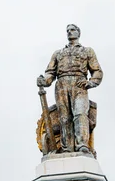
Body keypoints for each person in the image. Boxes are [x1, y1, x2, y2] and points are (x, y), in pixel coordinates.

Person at [37, 24, 103, 154]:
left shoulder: (87, 51)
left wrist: (91, 82)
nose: (69, 32)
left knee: (80, 113)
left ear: (78, 33)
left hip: (79, 85)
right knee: (64, 117)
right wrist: (44, 80)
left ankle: (82, 145)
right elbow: (50, 73)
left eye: (72, 30)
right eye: (67, 31)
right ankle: (67, 147)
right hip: (61, 85)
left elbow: (97, 71)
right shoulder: (58, 53)